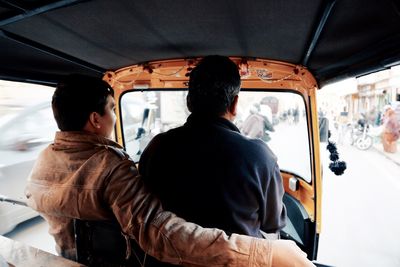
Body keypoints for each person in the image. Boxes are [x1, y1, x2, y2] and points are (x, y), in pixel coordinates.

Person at [24, 74, 314, 267]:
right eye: (113, 108)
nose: (115, 115)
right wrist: (266, 253)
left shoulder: (43, 161)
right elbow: (162, 234)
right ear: (95, 119)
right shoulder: (109, 167)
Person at [139, 56, 287, 265]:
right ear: (234, 104)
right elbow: (273, 223)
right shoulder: (260, 157)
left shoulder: (157, 148)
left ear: (189, 102)